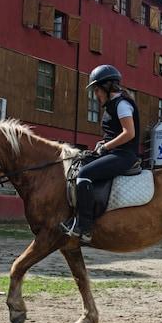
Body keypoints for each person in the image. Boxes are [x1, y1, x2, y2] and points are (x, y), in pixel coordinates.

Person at [60, 64, 141, 243]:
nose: (95, 95)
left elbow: (129, 133)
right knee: (81, 164)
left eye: (97, 90)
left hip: (124, 155)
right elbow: (114, 133)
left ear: (106, 87)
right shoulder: (112, 105)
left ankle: (85, 226)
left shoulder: (122, 105)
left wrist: (106, 147)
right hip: (114, 151)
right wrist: (103, 144)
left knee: (84, 174)